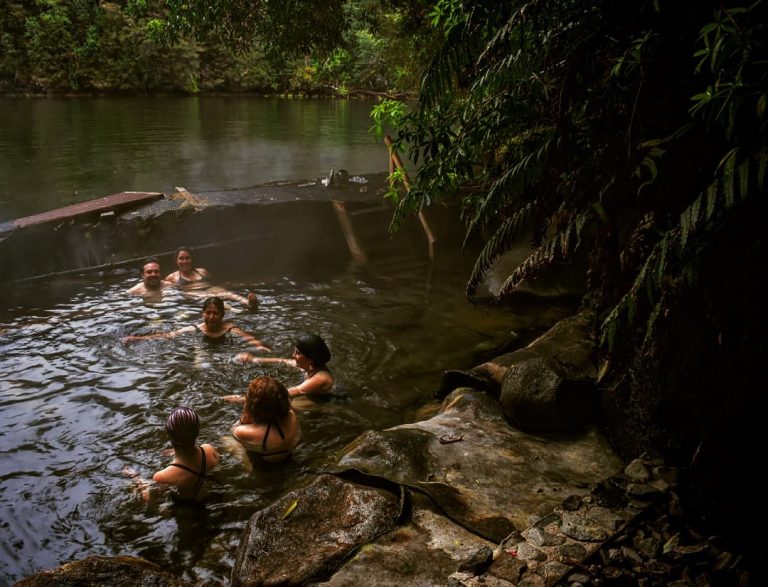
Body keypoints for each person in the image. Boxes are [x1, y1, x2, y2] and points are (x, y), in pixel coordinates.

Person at [123, 406, 220, 504]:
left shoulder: (162, 476)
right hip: (209, 499)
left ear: (169, 434)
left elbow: (149, 499)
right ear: (197, 431)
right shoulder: (209, 451)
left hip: (185, 511)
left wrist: (136, 478)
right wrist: (179, 451)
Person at [122, 296, 271, 350]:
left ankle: (252, 307)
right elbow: (167, 335)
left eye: (215, 313)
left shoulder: (230, 329)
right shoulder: (194, 329)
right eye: (208, 313)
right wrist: (136, 339)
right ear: (202, 314)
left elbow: (250, 340)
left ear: (222, 315)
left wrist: (262, 348)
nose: (211, 317)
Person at [227, 376, 301, 463]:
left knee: (226, 438)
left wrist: (245, 413)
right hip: (291, 455)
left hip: (262, 465)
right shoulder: (291, 415)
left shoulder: (243, 432)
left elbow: (234, 430)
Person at [233, 333, 333, 397]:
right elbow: (283, 361)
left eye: (298, 353)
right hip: (312, 397)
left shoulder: (321, 378)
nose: (293, 355)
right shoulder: (311, 366)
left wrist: (244, 399)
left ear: (310, 359)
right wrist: (254, 359)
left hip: (324, 404)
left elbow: (292, 391)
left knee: (287, 406)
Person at [165, 246, 258, 310]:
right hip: (193, 294)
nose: (184, 261)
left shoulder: (202, 271)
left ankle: (248, 302)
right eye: (181, 258)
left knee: (223, 292)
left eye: (187, 258)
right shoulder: (172, 277)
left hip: (209, 289)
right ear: (176, 261)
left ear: (192, 259)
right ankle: (232, 309)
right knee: (209, 297)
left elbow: (214, 283)